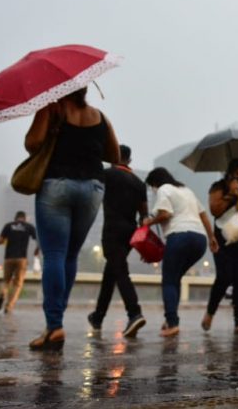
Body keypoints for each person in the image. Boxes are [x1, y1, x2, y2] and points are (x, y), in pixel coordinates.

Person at [23, 87, 120, 351]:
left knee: (54, 254)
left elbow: (32, 144)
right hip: (92, 188)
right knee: (70, 255)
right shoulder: (99, 116)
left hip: (57, 184)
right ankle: (55, 323)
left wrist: (47, 123)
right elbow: (114, 156)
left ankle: (54, 325)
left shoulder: (51, 109)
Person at [143, 168, 218, 338]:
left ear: (155, 183)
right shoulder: (186, 190)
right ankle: (171, 318)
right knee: (175, 278)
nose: (153, 190)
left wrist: (150, 222)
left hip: (179, 237)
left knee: (169, 280)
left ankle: (172, 323)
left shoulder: (164, 189)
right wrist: (211, 237)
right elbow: (203, 215)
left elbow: (166, 214)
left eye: (152, 186)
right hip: (199, 240)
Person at [88, 144, 148, 338]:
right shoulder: (139, 183)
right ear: (129, 160)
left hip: (112, 230)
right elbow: (144, 215)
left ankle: (134, 313)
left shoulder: (108, 174)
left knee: (120, 270)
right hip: (130, 233)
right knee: (111, 273)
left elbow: (92, 193)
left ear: (113, 157)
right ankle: (98, 316)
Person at [202, 159, 238, 335]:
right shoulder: (219, 187)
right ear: (230, 173)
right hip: (222, 238)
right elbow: (215, 210)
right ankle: (210, 313)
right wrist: (232, 195)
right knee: (224, 276)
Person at [0, 211, 40, 314]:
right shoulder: (29, 226)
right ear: (25, 218)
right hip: (22, 259)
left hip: (8, 258)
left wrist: (5, 240)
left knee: (6, 281)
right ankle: (9, 306)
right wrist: (37, 250)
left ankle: (3, 294)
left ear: (15, 217)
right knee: (18, 284)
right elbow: (38, 239)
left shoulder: (8, 226)